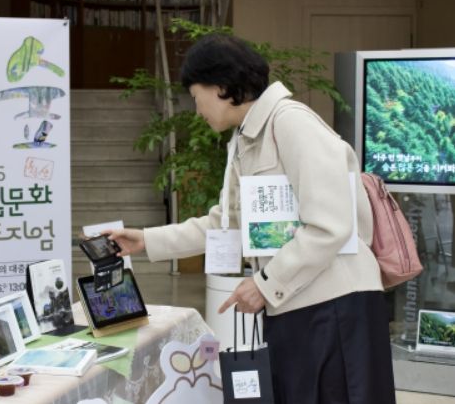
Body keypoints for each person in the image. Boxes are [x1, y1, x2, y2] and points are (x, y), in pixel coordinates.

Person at [107, 33, 396, 403]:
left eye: (196, 96)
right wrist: (147, 240)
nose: (196, 109)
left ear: (221, 86)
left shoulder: (291, 123)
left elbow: (330, 225)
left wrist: (264, 284)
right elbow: (225, 224)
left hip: (337, 308)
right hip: (297, 305)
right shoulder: (246, 140)